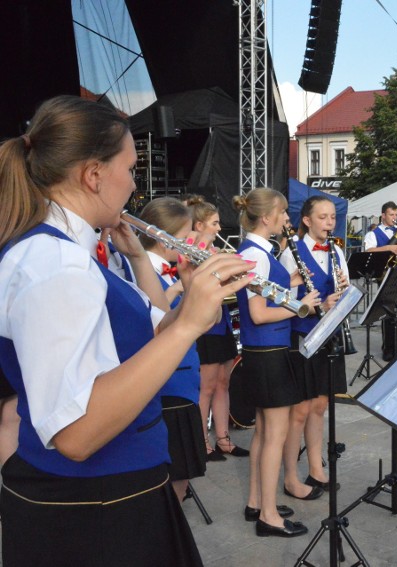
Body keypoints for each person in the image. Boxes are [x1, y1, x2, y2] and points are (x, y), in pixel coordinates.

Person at [0, 95, 253, 565]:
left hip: (115, 494)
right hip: (90, 511)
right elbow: (75, 434)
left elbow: (145, 338)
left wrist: (198, 296)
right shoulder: (55, 264)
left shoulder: (76, 255)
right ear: (94, 175)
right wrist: (185, 329)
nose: (134, 184)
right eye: (131, 169)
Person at [233, 188, 319, 538]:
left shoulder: (254, 251)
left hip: (262, 353)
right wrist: (302, 305)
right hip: (268, 352)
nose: (287, 219)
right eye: (283, 213)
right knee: (274, 437)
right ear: (267, 217)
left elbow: (265, 295)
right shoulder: (257, 254)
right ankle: (269, 515)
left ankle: (257, 500)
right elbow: (257, 313)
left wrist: (291, 283)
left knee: (265, 433)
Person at [280, 195, 349, 500]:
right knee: (300, 409)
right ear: (307, 221)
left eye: (332, 217)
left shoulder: (336, 251)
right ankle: (290, 476)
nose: (329, 223)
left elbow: (344, 289)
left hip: (329, 335)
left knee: (320, 405)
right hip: (303, 335)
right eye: (323, 218)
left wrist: (344, 297)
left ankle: (315, 468)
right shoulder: (290, 254)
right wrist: (321, 304)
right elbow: (286, 301)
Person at [138, 198, 207, 499]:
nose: (191, 243)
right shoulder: (142, 271)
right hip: (168, 382)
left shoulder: (174, 269)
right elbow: (158, 323)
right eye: (185, 237)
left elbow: (207, 320)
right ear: (163, 237)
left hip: (187, 376)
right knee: (172, 475)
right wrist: (181, 286)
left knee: (183, 473)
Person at [187, 196, 245, 461]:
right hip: (205, 326)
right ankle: (202, 442)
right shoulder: (188, 253)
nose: (219, 229)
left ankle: (223, 439)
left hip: (220, 322)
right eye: (214, 223)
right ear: (199, 225)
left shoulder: (214, 253)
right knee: (207, 386)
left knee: (223, 382)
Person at [362, 201, 397, 361]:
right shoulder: (373, 233)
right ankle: (388, 348)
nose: (394, 218)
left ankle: (391, 344)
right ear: (383, 216)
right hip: (384, 275)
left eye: (396, 215)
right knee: (388, 313)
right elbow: (368, 251)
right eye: (391, 215)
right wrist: (389, 248)